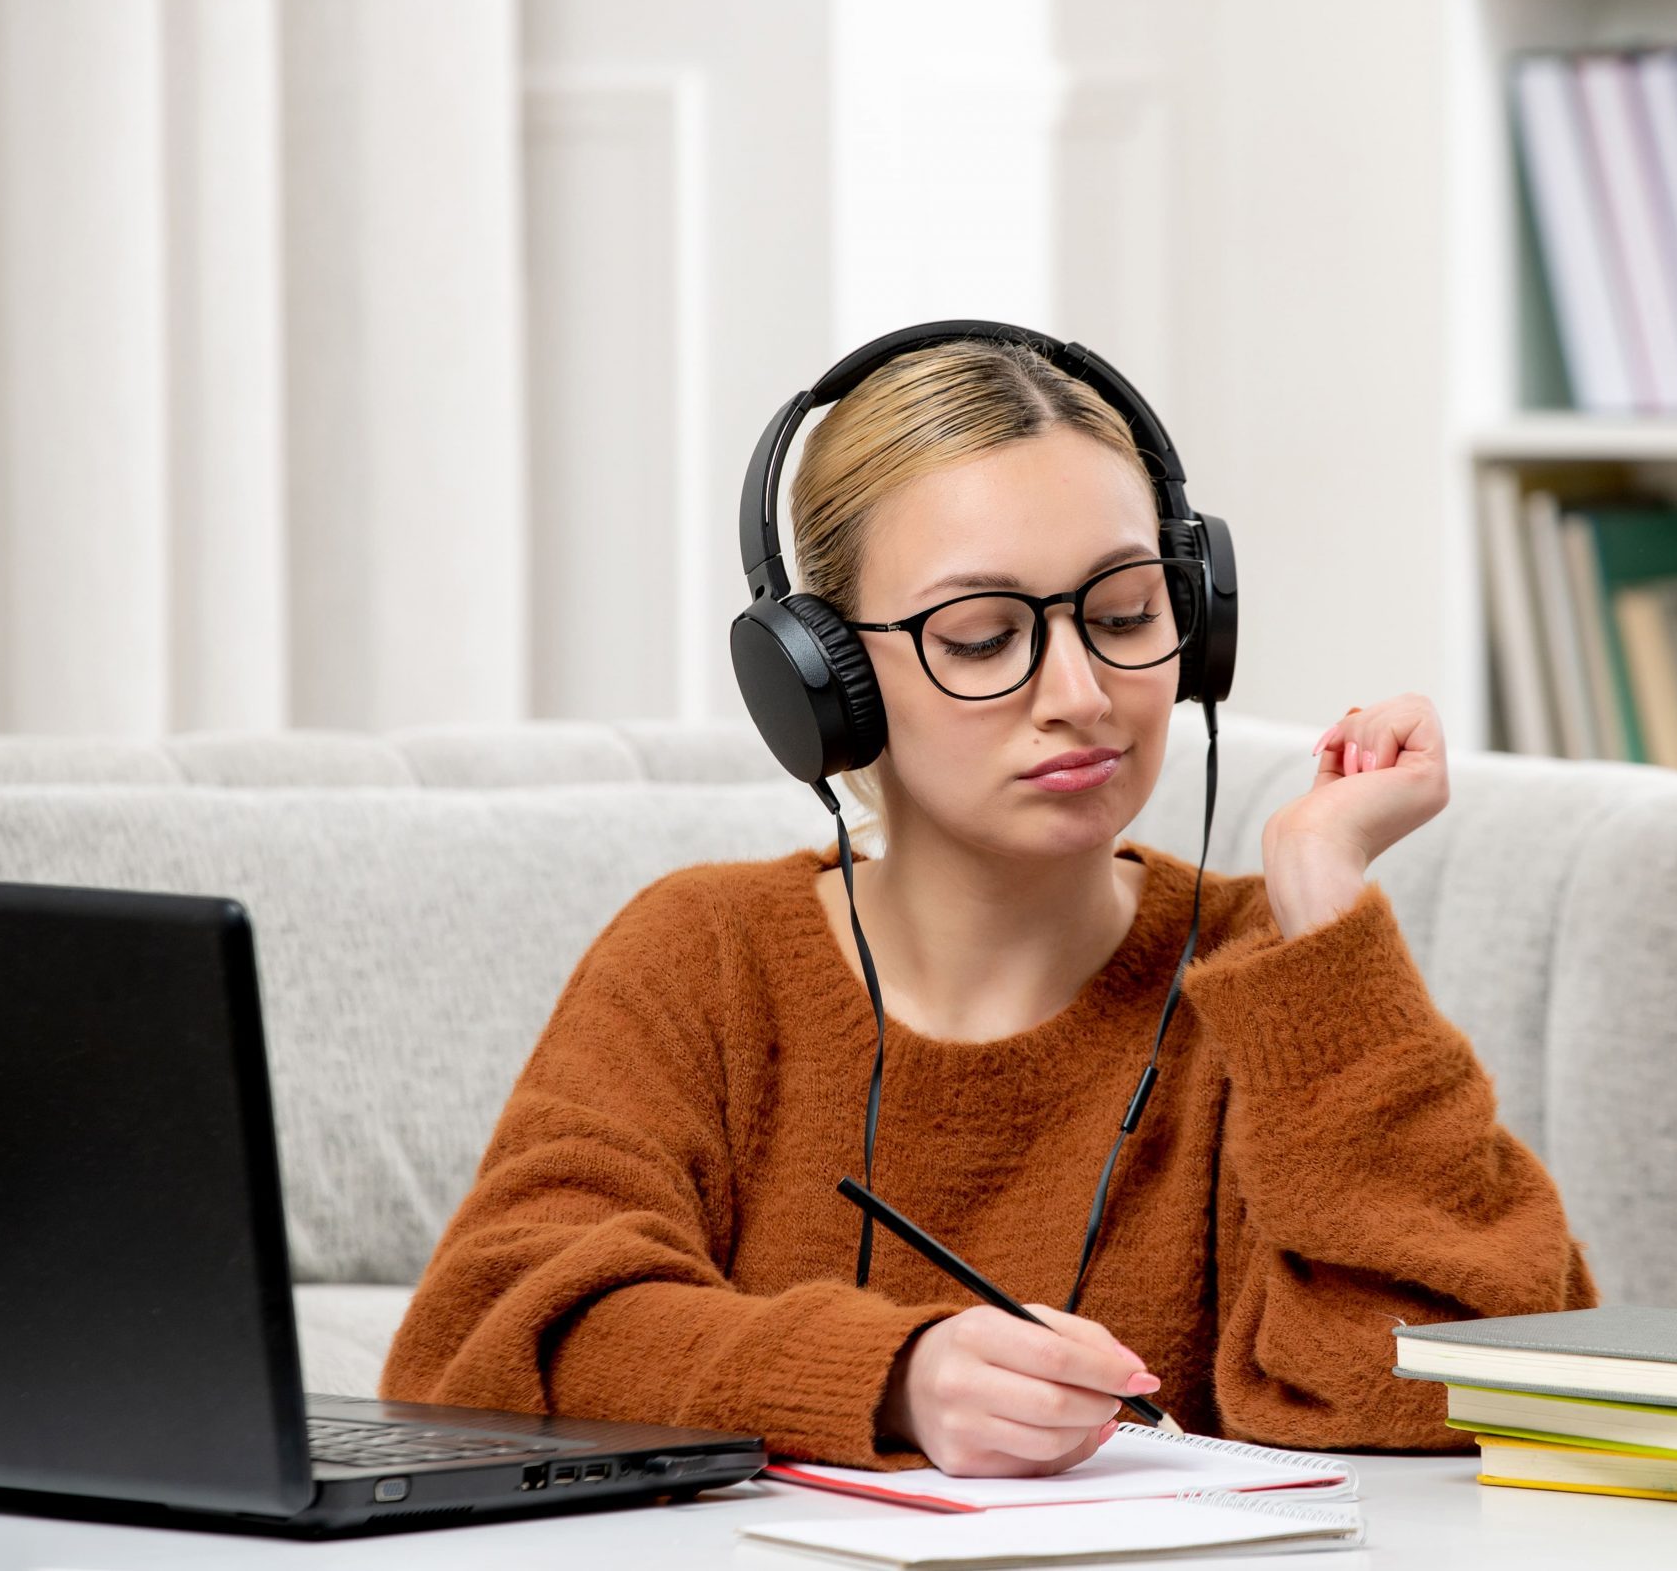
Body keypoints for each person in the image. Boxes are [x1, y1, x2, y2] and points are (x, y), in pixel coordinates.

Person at [379, 338, 1597, 1476]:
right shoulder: (703, 957)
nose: (1078, 692)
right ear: (826, 681)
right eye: (979, 637)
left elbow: (1459, 1391)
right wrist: (891, 1378)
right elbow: (490, 1339)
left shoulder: (1271, 984)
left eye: (1125, 616)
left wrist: (1322, 917)